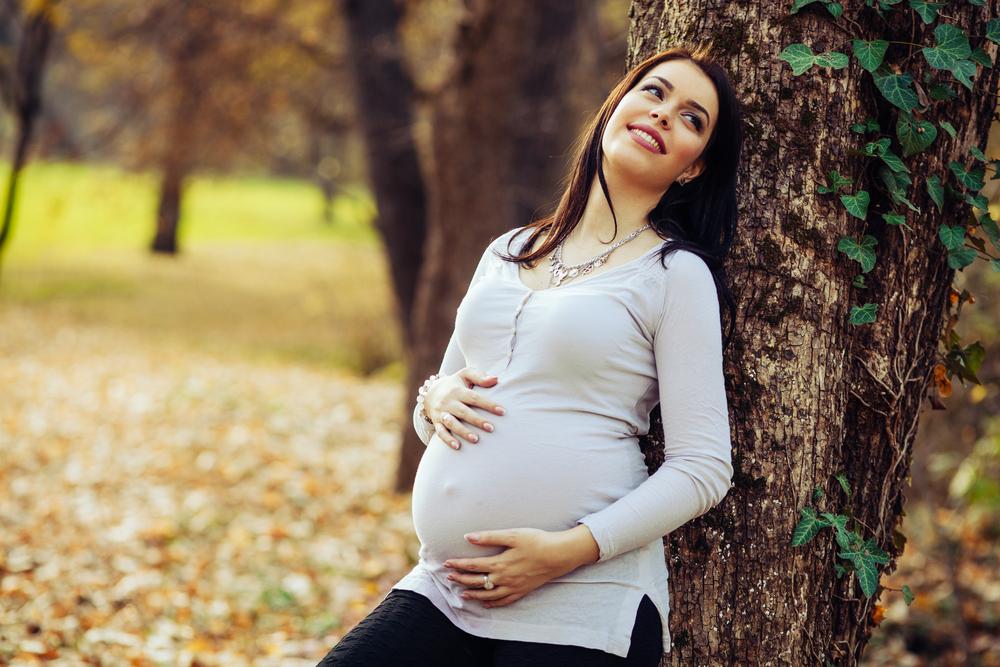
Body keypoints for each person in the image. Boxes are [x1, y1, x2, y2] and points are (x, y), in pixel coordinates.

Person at [318, 43, 743, 666]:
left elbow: (704, 467)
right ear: (615, 109)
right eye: (654, 93)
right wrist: (432, 397)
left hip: (582, 601)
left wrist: (564, 552)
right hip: (445, 589)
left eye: (691, 118)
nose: (663, 114)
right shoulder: (510, 249)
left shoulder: (673, 275)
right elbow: (440, 396)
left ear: (693, 168)